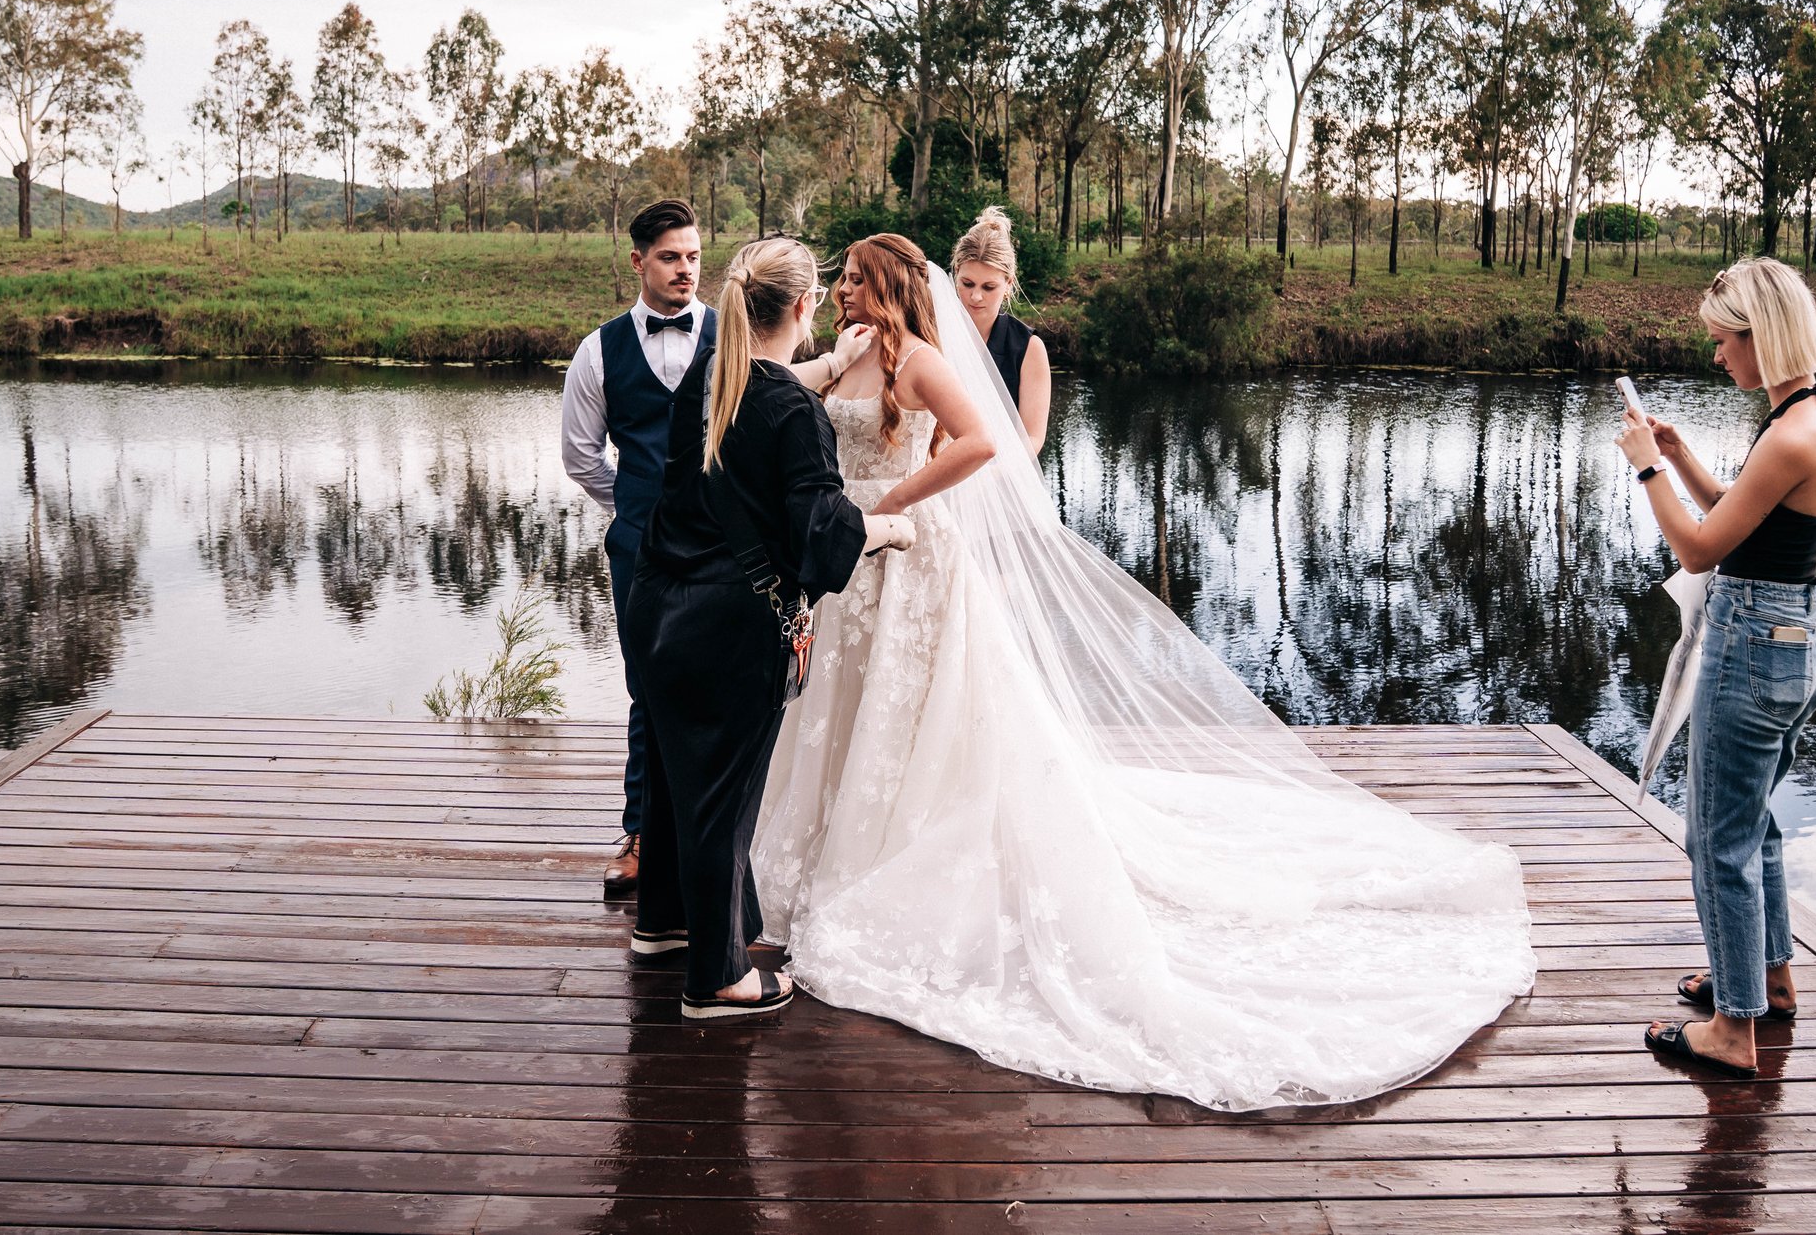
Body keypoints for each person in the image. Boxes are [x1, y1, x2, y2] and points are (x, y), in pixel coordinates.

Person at [752, 234, 1535, 1110]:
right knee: (842, 711)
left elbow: (982, 445)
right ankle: (822, 860)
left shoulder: (925, 362)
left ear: (889, 284)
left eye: (856, 279)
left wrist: (893, 500)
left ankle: (899, 853)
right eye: (841, 280)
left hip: (910, 556)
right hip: (851, 568)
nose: (843, 290)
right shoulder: (851, 352)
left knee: (917, 716)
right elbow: (790, 388)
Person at [623, 235, 912, 1018]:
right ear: (808, 305)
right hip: (729, 625)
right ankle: (719, 978)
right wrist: (888, 530)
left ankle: (664, 922)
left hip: (655, 605)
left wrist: (823, 368)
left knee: (676, 775)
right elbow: (822, 535)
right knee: (724, 799)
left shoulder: (709, 386)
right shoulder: (793, 414)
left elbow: (774, 389)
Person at [1615, 256, 1816, 1079]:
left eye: (1724, 342)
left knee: (1715, 840)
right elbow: (1748, 519)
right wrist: (1680, 459)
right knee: (1755, 824)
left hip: (1752, 653)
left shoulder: (1789, 434)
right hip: (1798, 645)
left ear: (1763, 335)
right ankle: (1768, 980)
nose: (1718, 357)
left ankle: (1733, 1028)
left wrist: (1645, 467)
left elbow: (1700, 545)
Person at [560, 199, 712, 898]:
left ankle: (722, 838)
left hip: (727, 549)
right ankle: (643, 834)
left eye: (693, 256)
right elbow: (581, 457)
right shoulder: (598, 350)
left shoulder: (733, 333)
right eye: (671, 257)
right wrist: (639, 506)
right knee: (648, 688)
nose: (685, 270)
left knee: (728, 688)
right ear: (638, 261)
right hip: (641, 549)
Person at [949, 206, 1049, 455]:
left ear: (1008, 284)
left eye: (989, 286)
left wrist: (992, 481)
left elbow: (1033, 437)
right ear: (955, 274)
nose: (976, 296)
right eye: (967, 283)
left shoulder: (1028, 347)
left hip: (1003, 473)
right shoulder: (933, 332)